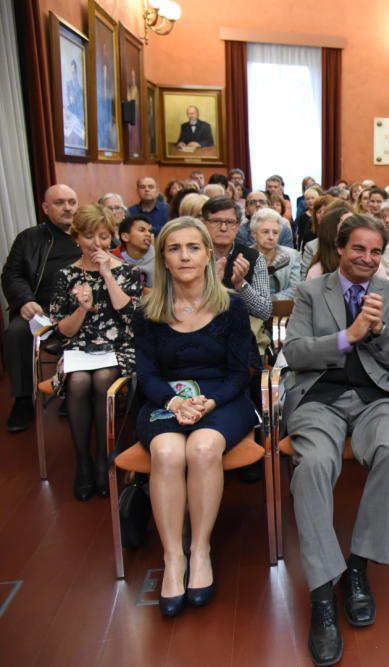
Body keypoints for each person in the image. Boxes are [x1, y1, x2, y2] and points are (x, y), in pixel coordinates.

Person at [282, 214, 389, 665]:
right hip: (318, 398)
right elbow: (295, 352)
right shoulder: (310, 292)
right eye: (358, 249)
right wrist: (348, 336)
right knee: (314, 467)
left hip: (375, 399)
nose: (367, 258)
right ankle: (323, 595)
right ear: (340, 250)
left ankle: (358, 567)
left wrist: (379, 333)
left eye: (375, 251)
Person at [133, 217, 258, 617]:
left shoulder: (231, 307)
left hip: (223, 398)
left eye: (192, 247)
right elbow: (147, 373)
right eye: (174, 248)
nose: (184, 256)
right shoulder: (148, 309)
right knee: (168, 454)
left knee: (204, 448)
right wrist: (172, 402)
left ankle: (200, 549)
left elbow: (241, 373)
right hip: (165, 399)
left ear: (208, 254)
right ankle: (174, 558)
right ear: (163, 258)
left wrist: (208, 403)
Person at [50, 205, 140, 500]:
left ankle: (104, 457)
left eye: (102, 237)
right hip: (79, 347)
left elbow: (131, 318)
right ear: (77, 238)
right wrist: (81, 309)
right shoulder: (65, 275)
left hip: (117, 347)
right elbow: (63, 331)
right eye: (89, 237)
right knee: (78, 382)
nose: (96, 244)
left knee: (102, 379)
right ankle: (83, 463)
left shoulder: (126, 271)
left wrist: (107, 274)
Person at [2, 185, 82, 432]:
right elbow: (11, 275)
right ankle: (24, 399)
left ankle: (73, 391)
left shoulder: (88, 233)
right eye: (59, 203)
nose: (67, 207)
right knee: (16, 332)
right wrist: (25, 300)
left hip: (82, 307)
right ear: (46, 208)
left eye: (71, 201)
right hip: (41, 308)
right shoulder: (30, 238)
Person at [202, 197, 272, 321]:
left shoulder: (253, 258)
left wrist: (241, 284)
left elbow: (265, 312)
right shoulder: (192, 256)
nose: (223, 228)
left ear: (238, 226)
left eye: (229, 222)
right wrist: (212, 284)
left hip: (241, 331)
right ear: (204, 223)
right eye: (216, 221)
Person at [251, 208, 300, 300]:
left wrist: (270, 301)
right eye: (265, 232)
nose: (271, 237)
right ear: (254, 233)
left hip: (283, 309)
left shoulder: (293, 255)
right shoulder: (244, 256)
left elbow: (295, 289)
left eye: (275, 232)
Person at [112, 214, 155, 288]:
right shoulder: (114, 261)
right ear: (125, 237)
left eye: (150, 231)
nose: (148, 234)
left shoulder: (161, 258)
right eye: (141, 230)